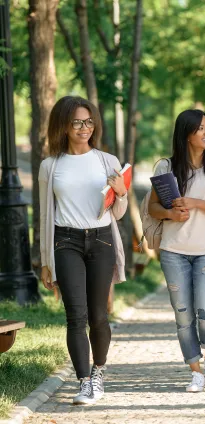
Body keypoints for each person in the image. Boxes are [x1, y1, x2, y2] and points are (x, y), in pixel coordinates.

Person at [39, 96, 128, 405]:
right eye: (77, 122)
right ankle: (84, 382)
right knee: (75, 315)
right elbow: (45, 215)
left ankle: (98, 370)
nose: (84, 127)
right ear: (63, 125)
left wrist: (121, 193)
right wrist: (45, 261)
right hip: (66, 242)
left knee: (99, 316)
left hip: (101, 239)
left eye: (88, 121)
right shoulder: (50, 166)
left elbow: (118, 213)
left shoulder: (107, 161)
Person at [148, 109, 205, 393]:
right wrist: (171, 215)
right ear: (186, 134)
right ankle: (195, 370)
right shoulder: (166, 168)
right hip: (174, 251)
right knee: (183, 313)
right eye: (200, 128)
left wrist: (195, 202)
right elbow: (153, 209)